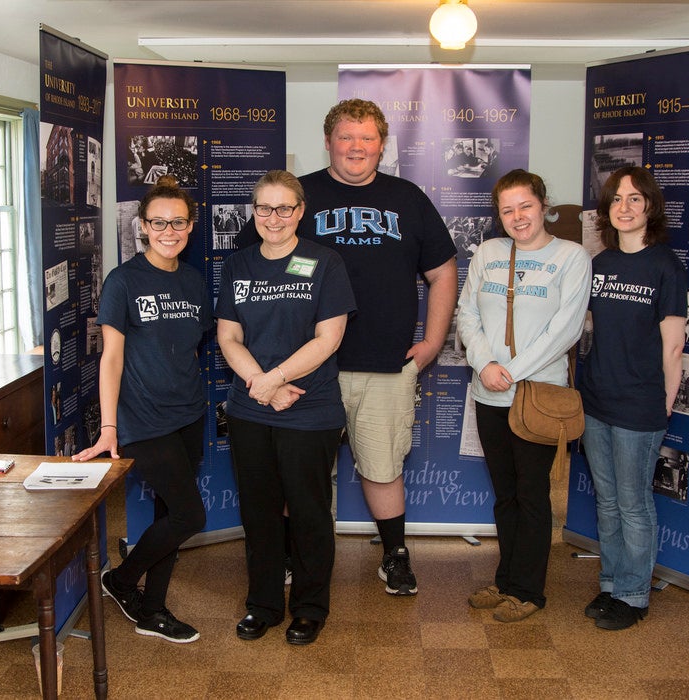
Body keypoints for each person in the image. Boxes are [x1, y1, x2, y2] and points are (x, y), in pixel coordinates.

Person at [237, 98, 458, 597]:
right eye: (346, 136)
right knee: (300, 474)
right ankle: (295, 555)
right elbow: (251, 269)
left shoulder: (408, 198)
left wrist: (433, 341)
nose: (356, 147)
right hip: (305, 368)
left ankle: (394, 556)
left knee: (382, 466)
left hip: (383, 363)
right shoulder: (299, 196)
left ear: (382, 145)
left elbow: (443, 272)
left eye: (367, 138)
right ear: (329, 141)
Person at [218, 169, 355, 645]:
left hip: (310, 410)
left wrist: (276, 378)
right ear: (253, 212)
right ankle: (264, 604)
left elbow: (329, 338)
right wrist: (262, 384)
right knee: (259, 513)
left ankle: (310, 607)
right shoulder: (237, 266)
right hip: (251, 408)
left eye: (283, 208)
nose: (273, 218)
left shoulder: (325, 262)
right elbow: (228, 336)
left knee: (309, 511)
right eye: (263, 208)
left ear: (299, 211)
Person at [72, 175, 211, 644]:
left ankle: (153, 609)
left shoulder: (193, 280)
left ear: (190, 226)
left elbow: (190, 348)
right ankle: (123, 580)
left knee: (169, 513)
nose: (168, 231)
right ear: (143, 227)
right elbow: (110, 358)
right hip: (142, 419)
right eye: (158, 222)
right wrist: (109, 426)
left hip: (189, 414)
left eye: (178, 222)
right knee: (190, 516)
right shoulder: (123, 281)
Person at [457, 169, 591, 623]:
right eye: (507, 209)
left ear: (543, 204)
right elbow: (467, 313)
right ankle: (507, 580)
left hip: (537, 395)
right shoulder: (490, 253)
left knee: (533, 495)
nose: (517, 217)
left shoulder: (571, 257)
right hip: (488, 393)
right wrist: (485, 365)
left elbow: (565, 329)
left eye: (525, 206)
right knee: (505, 495)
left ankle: (529, 591)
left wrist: (510, 371)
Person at [577, 166, 686, 631]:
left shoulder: (665, 266)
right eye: (617, 199)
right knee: (606, 500)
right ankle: (611, 584)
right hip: (597, 399)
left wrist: (667, 400)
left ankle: (634, 594)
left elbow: (674, 344)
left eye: (635, 199)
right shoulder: (599, 266)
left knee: (634, 503)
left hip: (640, 404)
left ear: (650, 208)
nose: (624, 207)